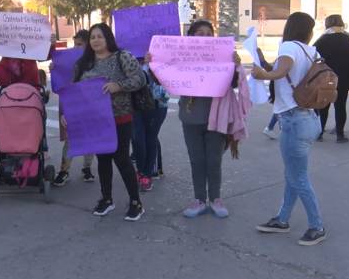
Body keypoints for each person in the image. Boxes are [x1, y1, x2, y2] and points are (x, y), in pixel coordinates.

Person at [252, 12, 327, 246]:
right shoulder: (310, 50)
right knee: (292, 175)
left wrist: (265, 73)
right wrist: (266, 65)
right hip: (309, 118)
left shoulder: (287, 47)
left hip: (294, 120)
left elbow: (281, 72)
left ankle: (317, 226)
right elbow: (285, 73)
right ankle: (282, 219)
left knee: (299, 177)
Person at [71, 23, 146, 221]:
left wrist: (118, 86)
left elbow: (140, 79)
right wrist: (70, 114)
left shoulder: (123, 57)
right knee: (103, 159)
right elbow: (75, 91)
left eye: (100, 36)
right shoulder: (83, 63)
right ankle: (106, 198)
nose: (95, 40)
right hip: (95, 119)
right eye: (93, 37)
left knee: (122, 159)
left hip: (120, 117)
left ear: (108, 39)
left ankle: (136, 202)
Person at [169, 20, 241, 219]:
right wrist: (153, 62)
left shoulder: (222, 57)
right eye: (199, 32)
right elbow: (164, 77)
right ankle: (199, 200)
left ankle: (216, 199)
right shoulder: (181, 58)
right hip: (191, 118)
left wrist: (235, 65)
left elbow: (233, 82)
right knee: (197, 161)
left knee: (214, 160)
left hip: (216, 118)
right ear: (191, 37)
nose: (205, 36)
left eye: (209, 33)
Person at [53, 30, 96, 187]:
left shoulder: (94, 60)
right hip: (73, 103)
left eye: (79, 45)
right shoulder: (69, 60)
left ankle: (87, 167)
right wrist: (55, 68)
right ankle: (64, 170)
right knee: (71, 138)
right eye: (75, 44)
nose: (76, 48)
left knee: (89, 137)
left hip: (90, 104)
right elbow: (62, 82)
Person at [312, 15, 349, 143]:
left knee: (323, 106)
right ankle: (340, 134)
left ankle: (319, 133)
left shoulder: (322, 40)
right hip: (344, 79)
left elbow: (312, 57)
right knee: (341, 106)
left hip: (326, 78)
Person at [131, 58, 169, 192]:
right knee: (138, 140)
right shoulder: (128, 55)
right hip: (135, 105)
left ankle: (146, 174)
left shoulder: (163, 53)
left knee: (150, 138)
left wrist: (149, 65)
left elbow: (165, 80)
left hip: (158, 104)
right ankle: (140, 170)